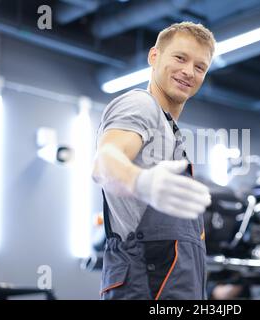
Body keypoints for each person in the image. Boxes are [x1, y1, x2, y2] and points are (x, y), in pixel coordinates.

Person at [92, 22, 216, 300]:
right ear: (154, 56)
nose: (189, 71)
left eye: (200, 67)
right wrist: (140, 181)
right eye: (180, 57)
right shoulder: (141, 105)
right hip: (144, 286)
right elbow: (104, 161)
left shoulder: (170, 132)